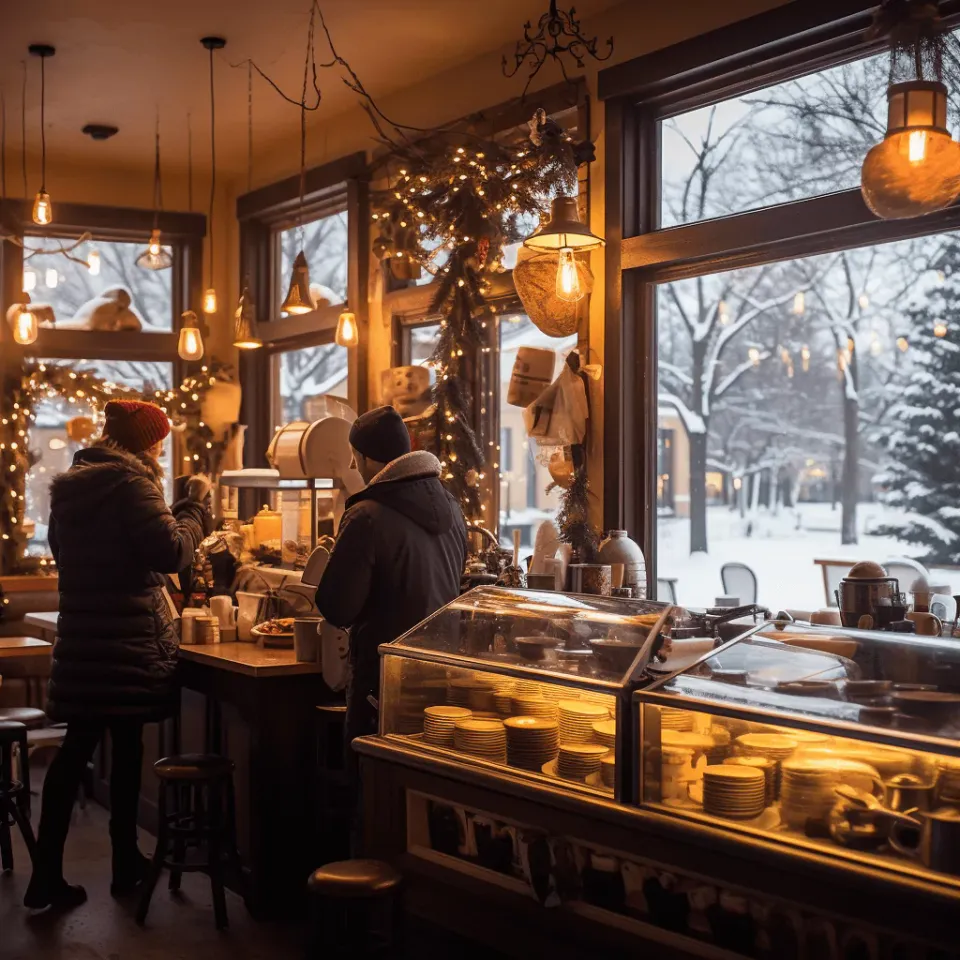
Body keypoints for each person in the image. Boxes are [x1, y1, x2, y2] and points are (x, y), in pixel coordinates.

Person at [24, 399, 211, 911]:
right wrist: (193, 507)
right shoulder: (133, 486)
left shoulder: (73, 489)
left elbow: (69, 556)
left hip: (84, 640)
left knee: (73, 755)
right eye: (158, 441)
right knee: (127, 751)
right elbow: (171, 553)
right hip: (126, 641)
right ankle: (125, 865)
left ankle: (45, 875)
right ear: (145, 443)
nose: (160, 449)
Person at [315, 405, 467, 764]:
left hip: (382, 679)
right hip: (438, 673)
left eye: (355, 458)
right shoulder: (452, 506)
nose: (354, 468)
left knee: (371, 788)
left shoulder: (366, 515)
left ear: (367, 458)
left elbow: (337, 606)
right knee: (418, 792)